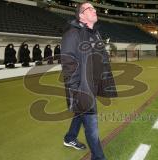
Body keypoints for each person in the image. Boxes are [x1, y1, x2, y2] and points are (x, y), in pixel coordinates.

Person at [61, 2, 117, 160]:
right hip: (82, 88)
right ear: (81, 15)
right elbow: (68, 63)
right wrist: (76, 90)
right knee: (92, 126)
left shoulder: (95, 33)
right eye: (89, 8)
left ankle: (70, 138)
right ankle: (98, 157)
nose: (94, 10)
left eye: (94, 8)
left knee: (81, 114)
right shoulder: (72, 34)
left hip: (92, 84)